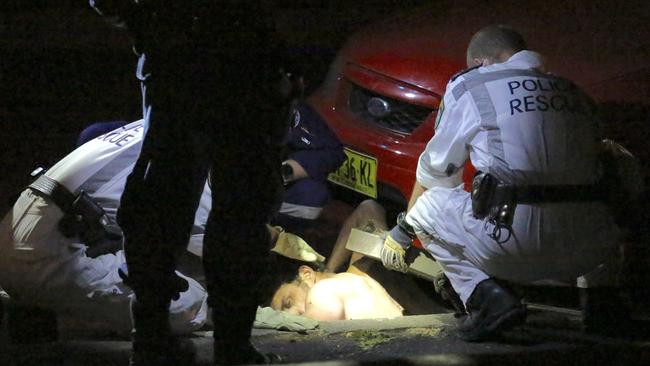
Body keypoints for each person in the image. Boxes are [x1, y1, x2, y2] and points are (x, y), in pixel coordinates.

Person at [379, 25, 623, 342]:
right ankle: (604, 306)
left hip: (512, 248)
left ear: (480, 63)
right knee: (601, 199)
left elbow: (437, 171)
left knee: (430, 205)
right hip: (588, 252)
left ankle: (487, 300)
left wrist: (402, 231)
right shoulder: (573, 92)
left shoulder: (473, 86)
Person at [89, 2, 302, 364]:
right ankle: (202, 344)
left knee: (185, 201)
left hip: (218, 63)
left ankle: (168, 341)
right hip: (225, 64)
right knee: (198, 204)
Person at [0, 120, 207, 339]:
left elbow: (91, 134)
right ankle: (51, 317)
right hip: (50, 253)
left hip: (28, 229)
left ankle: (33, 296)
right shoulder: (197, 152)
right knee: (190, 303)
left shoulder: (157, 123)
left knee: (171, 262)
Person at [271, 262, 404, 321]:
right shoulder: (351, 280)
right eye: (283, 313)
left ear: (306, 274)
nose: (291, 314)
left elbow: (308, 335)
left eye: (288, 303)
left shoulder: (323, 290)